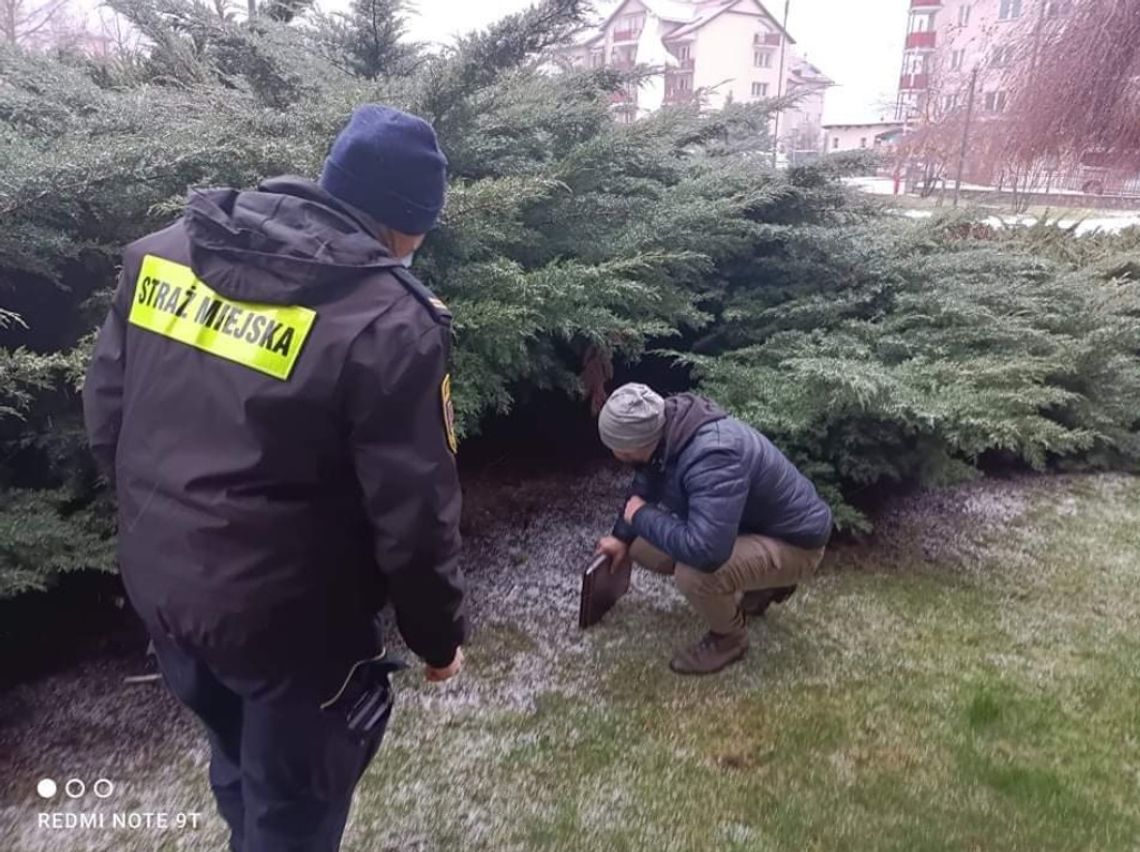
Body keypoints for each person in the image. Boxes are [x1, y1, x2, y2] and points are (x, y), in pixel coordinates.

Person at [82, 104, 467, 852]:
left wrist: (165, 529)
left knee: (236, 755)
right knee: (294, 813)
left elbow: (107, 416)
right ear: (404, 224)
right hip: (291, 636)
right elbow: (414, 517)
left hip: (167, 595)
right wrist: (437, 639)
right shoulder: (390, 323)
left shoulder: (161, 255)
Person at [595, 383, 832, 676]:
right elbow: (644, 486)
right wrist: (620, 538)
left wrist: (641, 516)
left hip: (795, 543)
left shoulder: (713, 455)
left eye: (614, 446)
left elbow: (707, 552)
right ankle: (763, 584)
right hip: (746, 527)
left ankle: (729, 639)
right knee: (642, 547)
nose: (612, 452)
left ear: (631, 446)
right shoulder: (665, 430)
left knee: (695, 574)